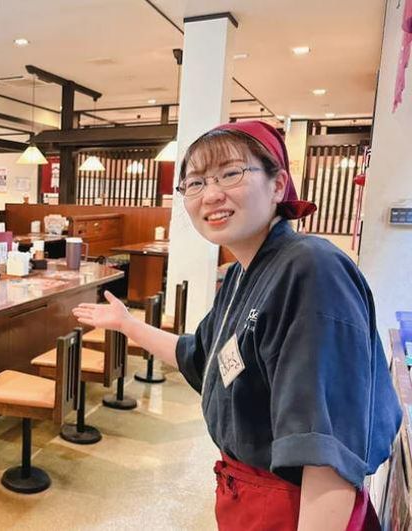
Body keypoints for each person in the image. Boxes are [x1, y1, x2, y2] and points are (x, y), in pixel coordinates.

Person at [73, 121, 401, 531]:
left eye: (230, 173)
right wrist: (126, 324)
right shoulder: (240, 274)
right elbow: (199, 356)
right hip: (245, 496)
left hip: (297, 508)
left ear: (278, 185)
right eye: (195, 183)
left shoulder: (311, 269)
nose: (211, 194)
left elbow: (326, 449)